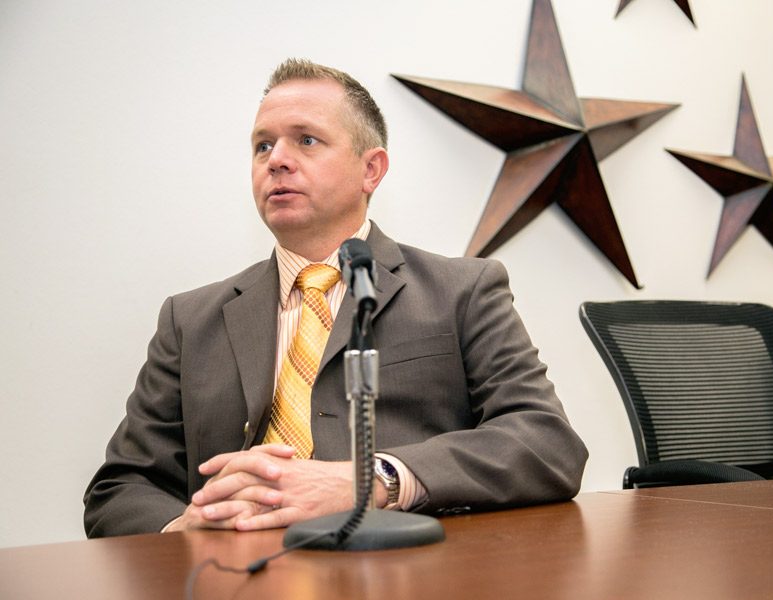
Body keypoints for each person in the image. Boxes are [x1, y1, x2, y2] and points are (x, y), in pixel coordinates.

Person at [83, 58, 588, 537]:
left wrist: (373, 481)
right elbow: (119, 489)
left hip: (405, 571)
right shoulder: (189, 320)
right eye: (262, 146)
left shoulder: (462, 290)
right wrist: (185, 528)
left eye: (306, 140)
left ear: (371, 169)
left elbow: (544, 443)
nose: (277, 160)